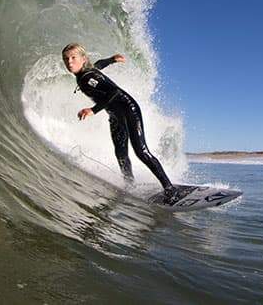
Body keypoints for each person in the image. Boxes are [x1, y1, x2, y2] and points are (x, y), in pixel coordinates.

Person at [62, 43, 177, 200]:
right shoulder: (87, 71)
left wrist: (92, 110)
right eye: (66, 59)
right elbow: (98, 65)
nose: (69, 62)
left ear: (83, 59)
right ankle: (130, 185)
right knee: (121, 153)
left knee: (141, 151)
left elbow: (114, 92)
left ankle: (169, 189)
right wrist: (111, 60)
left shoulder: (88, 77)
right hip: (115, 115)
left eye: (73, 58)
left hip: (128, 109)